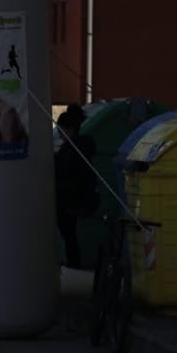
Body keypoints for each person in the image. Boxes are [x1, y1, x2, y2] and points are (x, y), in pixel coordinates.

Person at [53, 104, 98, 267]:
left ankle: (73, 266)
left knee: (69, 237)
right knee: (70, 237)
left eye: (61, 130)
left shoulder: (71, 151)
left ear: (70, 129)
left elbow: (64, 174)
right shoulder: (81, 148)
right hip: (77, 202)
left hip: (68, 203)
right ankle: (74, 265)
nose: (59, 133)